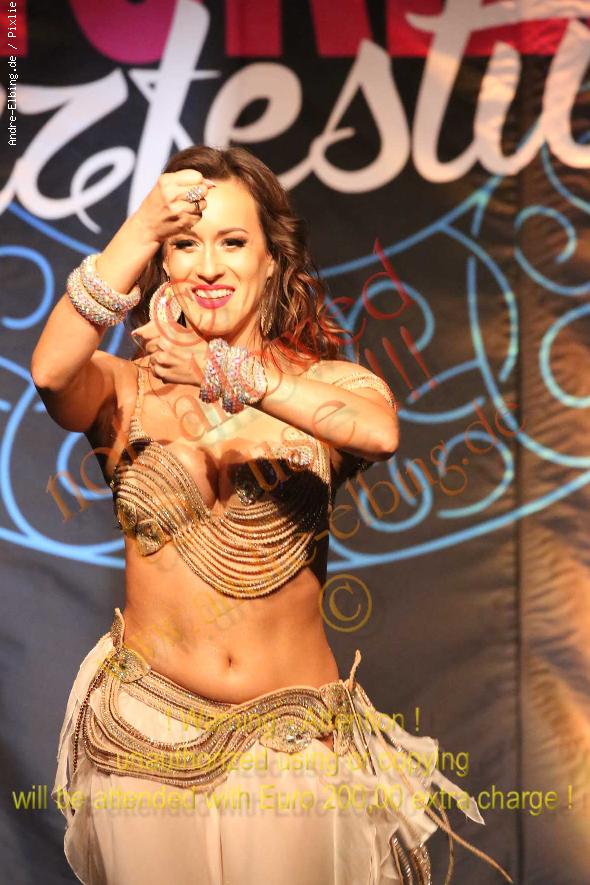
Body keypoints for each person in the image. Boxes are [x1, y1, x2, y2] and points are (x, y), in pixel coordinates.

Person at [31, 145, 512, 884]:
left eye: (232, 242)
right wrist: (142, 225)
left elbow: (377, 431)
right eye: (185, 245)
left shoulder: (330, 385)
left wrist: (226, 372)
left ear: (271, 261)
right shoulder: (125, 391)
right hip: (143, 729)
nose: (208, 267)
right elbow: (51, 370)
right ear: (161, 262)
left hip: (292, 735)